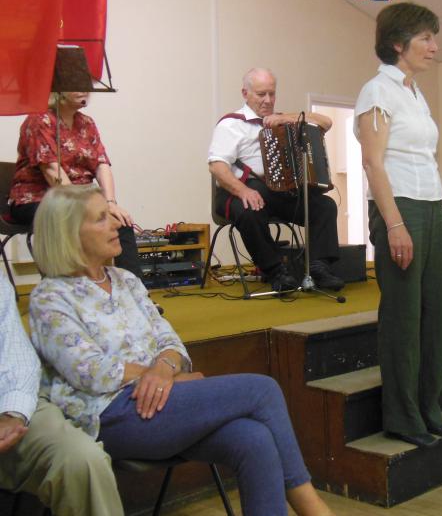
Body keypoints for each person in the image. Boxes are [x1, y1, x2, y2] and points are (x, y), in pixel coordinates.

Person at [27, 185, 334, 516]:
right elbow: (91, 372)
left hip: (160, 403)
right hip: (109, 415)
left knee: (253, 439)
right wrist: (162, 377)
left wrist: (164, 371)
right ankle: (312, 508)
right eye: (101, 218)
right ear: (69, 234)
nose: (117, 223)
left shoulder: (126, 280)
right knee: (263, 390)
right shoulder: (50, 297)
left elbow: (170, 341)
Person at [354, 2, 442, 449]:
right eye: (425, 39)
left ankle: (428, 407)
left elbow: (425, 159)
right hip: (399, 209)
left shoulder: (415, 93)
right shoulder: (377, 91)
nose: (434, 47)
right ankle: (402, 416)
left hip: (429, 206)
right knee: (403, 316)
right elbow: (373, 163)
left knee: (438, 313)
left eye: (434, 38)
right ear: (398, 43)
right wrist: (394, 225)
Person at [0, 270, 124, 516]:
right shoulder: (49, 296)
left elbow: (17, 358)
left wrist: (13, 413)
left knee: (81, 459)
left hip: (10, 407)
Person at [208, 68, 343, 292]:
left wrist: (285, 117)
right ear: (245, 93)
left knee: (324, 206)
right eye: (261, 94)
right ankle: (275, 271)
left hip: (278, 191)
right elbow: (217, 166)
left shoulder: (282, 120)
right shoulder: (231, 124)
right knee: (250, 208)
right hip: (238, 190)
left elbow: (326, 122)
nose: (268, 100)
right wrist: (243, 191)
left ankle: (319, 267)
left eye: (272, 94)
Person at [8, 91, 143, 279]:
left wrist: (110, 202)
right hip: (39, 198)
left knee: (120, 220)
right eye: (75, 85)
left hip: (82, 198)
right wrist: (81, 207)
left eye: (85, 85)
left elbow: (101, 164)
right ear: (59, 91)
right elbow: (51, 171)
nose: (83, 90)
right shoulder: (39, 120)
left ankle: (134, 289)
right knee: (71, 220)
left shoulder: (86, 123)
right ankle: (67, 287)